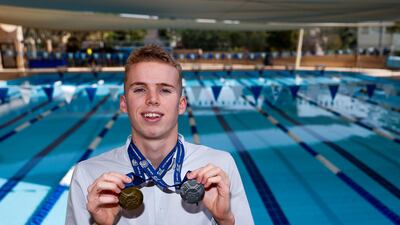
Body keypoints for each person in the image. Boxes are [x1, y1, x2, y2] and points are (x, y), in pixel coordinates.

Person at [66, 45, 254, 225]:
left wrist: (225, 220)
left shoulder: (220, 167)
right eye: (140, 89)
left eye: (164, 90)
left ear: (181, 105)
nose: (152, 99)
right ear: (124, 104)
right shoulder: (88, 175)